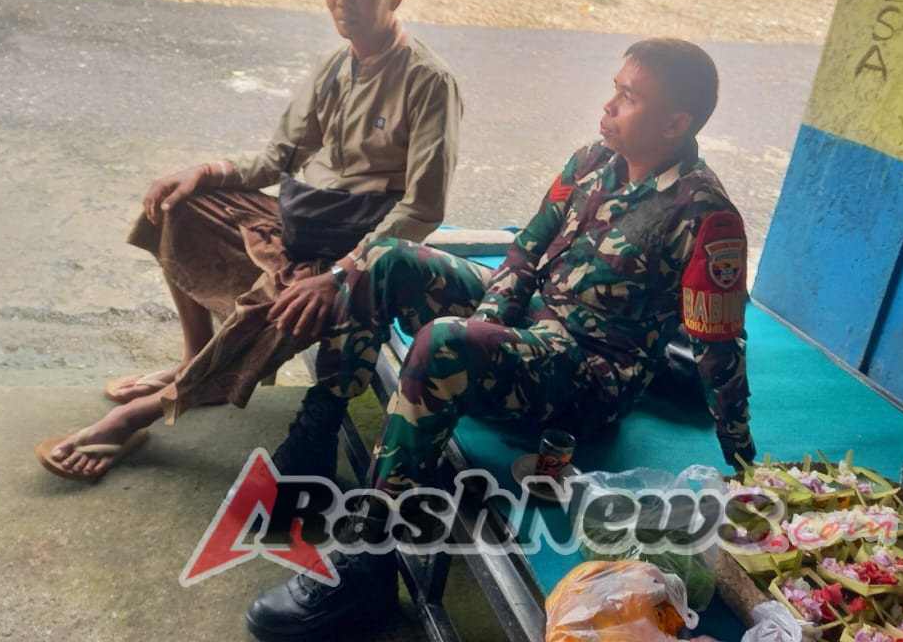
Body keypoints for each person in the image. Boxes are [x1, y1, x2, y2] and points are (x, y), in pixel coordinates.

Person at [244, 37, 755, 642]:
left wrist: (745, 462)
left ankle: (368, 565)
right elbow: (525, 252)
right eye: (615, 88)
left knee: (443, 344)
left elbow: (720, 349)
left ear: (675, 122)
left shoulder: (705, 216)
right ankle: (314, 438)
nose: (610, 104)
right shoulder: (593, 159)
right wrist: (494, 320)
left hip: (587, 372)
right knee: (385, 259)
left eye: (629, 96)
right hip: (534, 318)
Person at [35, 0, 462, 483]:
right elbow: (278, 158)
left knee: (279, 311)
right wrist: (206, 172)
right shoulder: (334, 67)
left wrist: (340, 274)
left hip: (350, 253)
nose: (344, 0)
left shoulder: (429, 82)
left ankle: (139, 415)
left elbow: (422, 210)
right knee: (178, 206)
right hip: (293, 224)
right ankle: (193, 358)